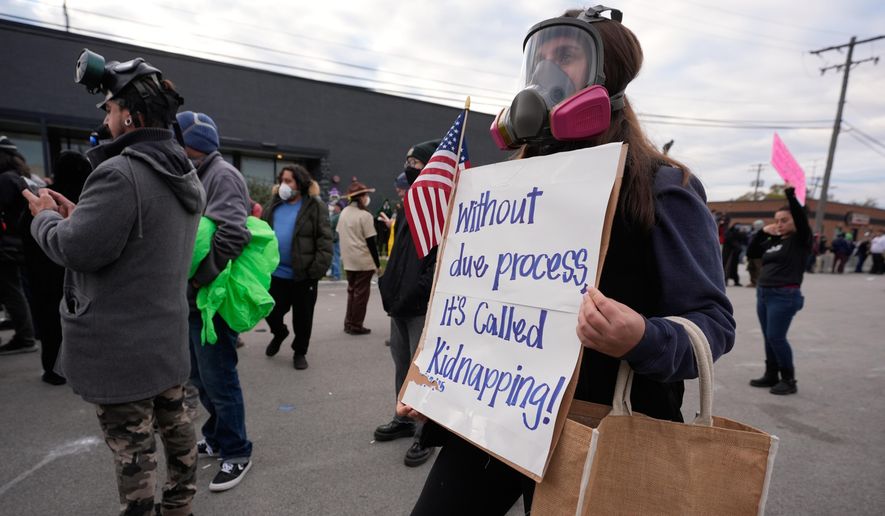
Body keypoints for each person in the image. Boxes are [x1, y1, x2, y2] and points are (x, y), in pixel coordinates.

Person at [406, 8, 735, 514]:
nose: (545, 74)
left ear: (609, 75)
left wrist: (643, 338)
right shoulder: (509, 189)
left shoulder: (663, 188)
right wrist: (434, 381)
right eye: (538, 61)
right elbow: (474, 305)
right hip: (496, 411)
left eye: (565, 56)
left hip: (605, 423)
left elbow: (713, 327)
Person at [25, 51, 203, 515]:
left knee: (133, 448)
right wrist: (79, 216)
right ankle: (180, 505)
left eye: (109, 107)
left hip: (121, 348)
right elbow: (136, 239)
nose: (105, 116)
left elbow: (77, 251)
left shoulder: (121, 173)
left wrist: (44, 218)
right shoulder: (183, 172)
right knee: (177, 425)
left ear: (131, 114)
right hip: (164, 339)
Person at [176, 110, 255, 491]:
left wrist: (197, 280)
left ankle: (237, 451)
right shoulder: (196, 172)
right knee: (200, 377)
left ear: (193, 143)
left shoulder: (221, 175)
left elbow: (232, 236)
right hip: (195, 300)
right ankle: (218, 434)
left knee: (219, 377)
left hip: (210, 298)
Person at [374, 140, 438, 468]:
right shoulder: (408, 204)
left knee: (422, 371)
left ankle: (425, 432)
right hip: (399, 303)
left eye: (415, 162)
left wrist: (417, 291)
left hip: (420, 305)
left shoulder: (440, 206)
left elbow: (438, 261)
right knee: (402, 363)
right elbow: (399, 254)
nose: (408, 168)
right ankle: (404, 418)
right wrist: (389, 286)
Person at [20, 150, 91, 384]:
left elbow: (25, 230)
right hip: (75, 276)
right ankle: (77, 368)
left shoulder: (44, 200)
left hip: (42, 274)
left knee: (49, 322)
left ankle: (53, 369)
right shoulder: (86, 200)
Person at [263, 164, 333, 369]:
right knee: (270, 312)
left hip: (303, 275)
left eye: (288, 181)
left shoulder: (314, 206)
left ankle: (299, 352)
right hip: (275, 274)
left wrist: (315, 272)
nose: (283, 185)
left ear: (300, 183)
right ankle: (279, 333)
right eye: (282, 180)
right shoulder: (273, 205)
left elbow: (325, 240)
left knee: (303, 319)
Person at [746, 186, 811, 395]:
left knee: (776, 336)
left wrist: (790, 195)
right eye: (777, 220)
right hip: (764, 293)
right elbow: (752, 252)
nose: (779, 224)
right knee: (768, 336)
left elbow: (801, 219)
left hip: (784, 295)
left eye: (785, 220)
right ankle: (771, 374)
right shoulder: (775, 241)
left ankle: (789, 379)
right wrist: (762, 232)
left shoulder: (801, 240)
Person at [0, 135, 38, 355]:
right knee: (15, 289)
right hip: (20, 242)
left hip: (8, 244)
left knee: (11, 290)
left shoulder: (5, 180)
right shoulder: (21, 178)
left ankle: (25, 337)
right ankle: (25, 335)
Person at [337, 180, 381, 335]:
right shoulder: (365, 216)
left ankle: (349, 323)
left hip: (349, 260)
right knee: (361, 295)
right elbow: (371, 242)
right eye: (365, 195)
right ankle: (356, 325)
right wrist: (377, 264)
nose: (367, 197)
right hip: (363, 260)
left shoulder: (344, 213)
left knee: (352, 292)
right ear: (361, 197)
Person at [746, 219, 765, 287]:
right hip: (751, 254)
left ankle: (759, 283)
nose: (754, 226)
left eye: (755, 225)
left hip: (758, 255)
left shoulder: (763, 233)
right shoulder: (752, 233)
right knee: (751, 269)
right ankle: (753, 282)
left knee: (759, 269)